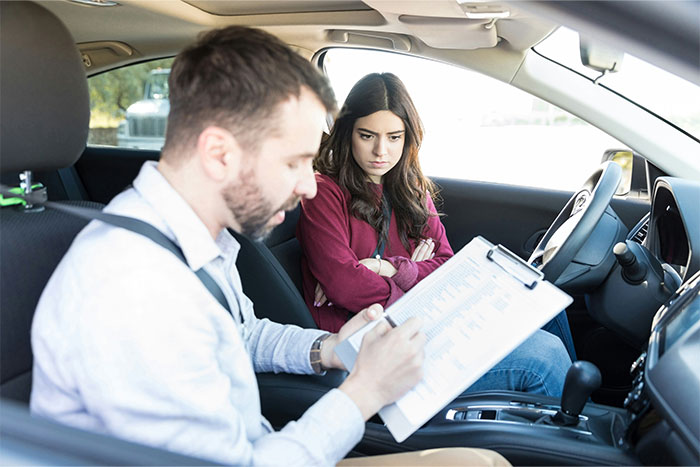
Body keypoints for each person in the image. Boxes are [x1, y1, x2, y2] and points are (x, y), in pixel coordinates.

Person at [30, 26, 508, 466]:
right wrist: (365, 392)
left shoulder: (194, 240)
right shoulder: (134, 287)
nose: (310, 186)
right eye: (294, 163)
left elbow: (242, 333)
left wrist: (332, 348)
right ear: (219, 154)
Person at [297, 72, 573, 396]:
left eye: (394, 137)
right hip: (376, 343)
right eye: (367, 135)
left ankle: (587, 417)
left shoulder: (410, 187)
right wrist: (414, 286)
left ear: (408, 137)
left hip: (426, 320)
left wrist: (392, 269)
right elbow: (345, 284)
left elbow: (446, 265)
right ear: (348, 134)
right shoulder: (324, 192)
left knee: (545, 304)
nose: (380, 151)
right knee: (545, 358)